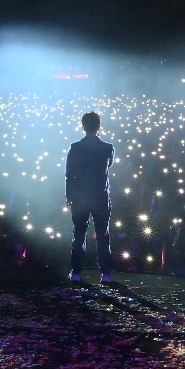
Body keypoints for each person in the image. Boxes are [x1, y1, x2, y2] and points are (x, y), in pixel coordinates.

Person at [65, 111, 115, 283]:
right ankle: (106, 273)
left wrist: (69, 195)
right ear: (98, 125)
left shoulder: (75, 147)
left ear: (83, 125)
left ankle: (77, 272)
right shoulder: (108, 148)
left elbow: (69, 174)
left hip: (80, 197)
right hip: (100, 196)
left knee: (79, 234)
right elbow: (107, 167)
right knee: (103, 235)